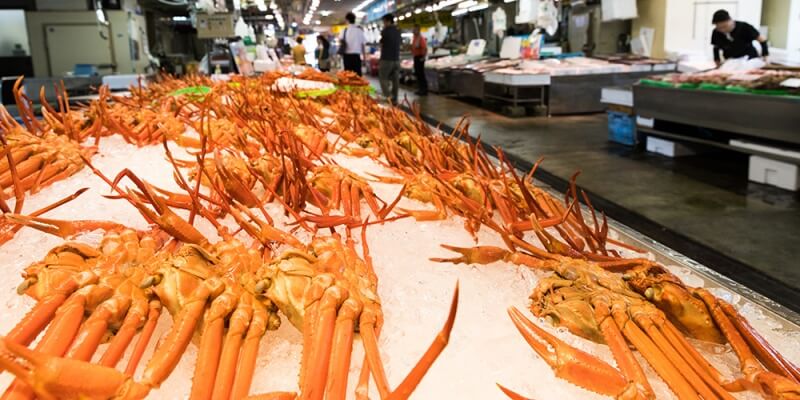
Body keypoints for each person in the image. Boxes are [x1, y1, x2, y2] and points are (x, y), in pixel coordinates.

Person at [379, 13, 401, 104]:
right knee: (395, 80)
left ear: (388, 21)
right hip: (396, 59)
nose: (384, 24)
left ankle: (388, 97)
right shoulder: (398, 30)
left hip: (386, 59)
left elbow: (382, 44)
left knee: (383, 78)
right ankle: (395, 98)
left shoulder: (386, 31)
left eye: (384, 22)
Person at [411, 24, 428, 96]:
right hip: (416, 57)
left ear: (418, 30)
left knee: (421, 74)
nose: (413, 30)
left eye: (415, 29)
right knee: (417, 73)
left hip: (420, 58)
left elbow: (424, 48)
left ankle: (424, 90)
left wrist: (423, 57)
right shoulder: (415, 37)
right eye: (413, 29)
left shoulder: (421, 38)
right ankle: (420, 89)